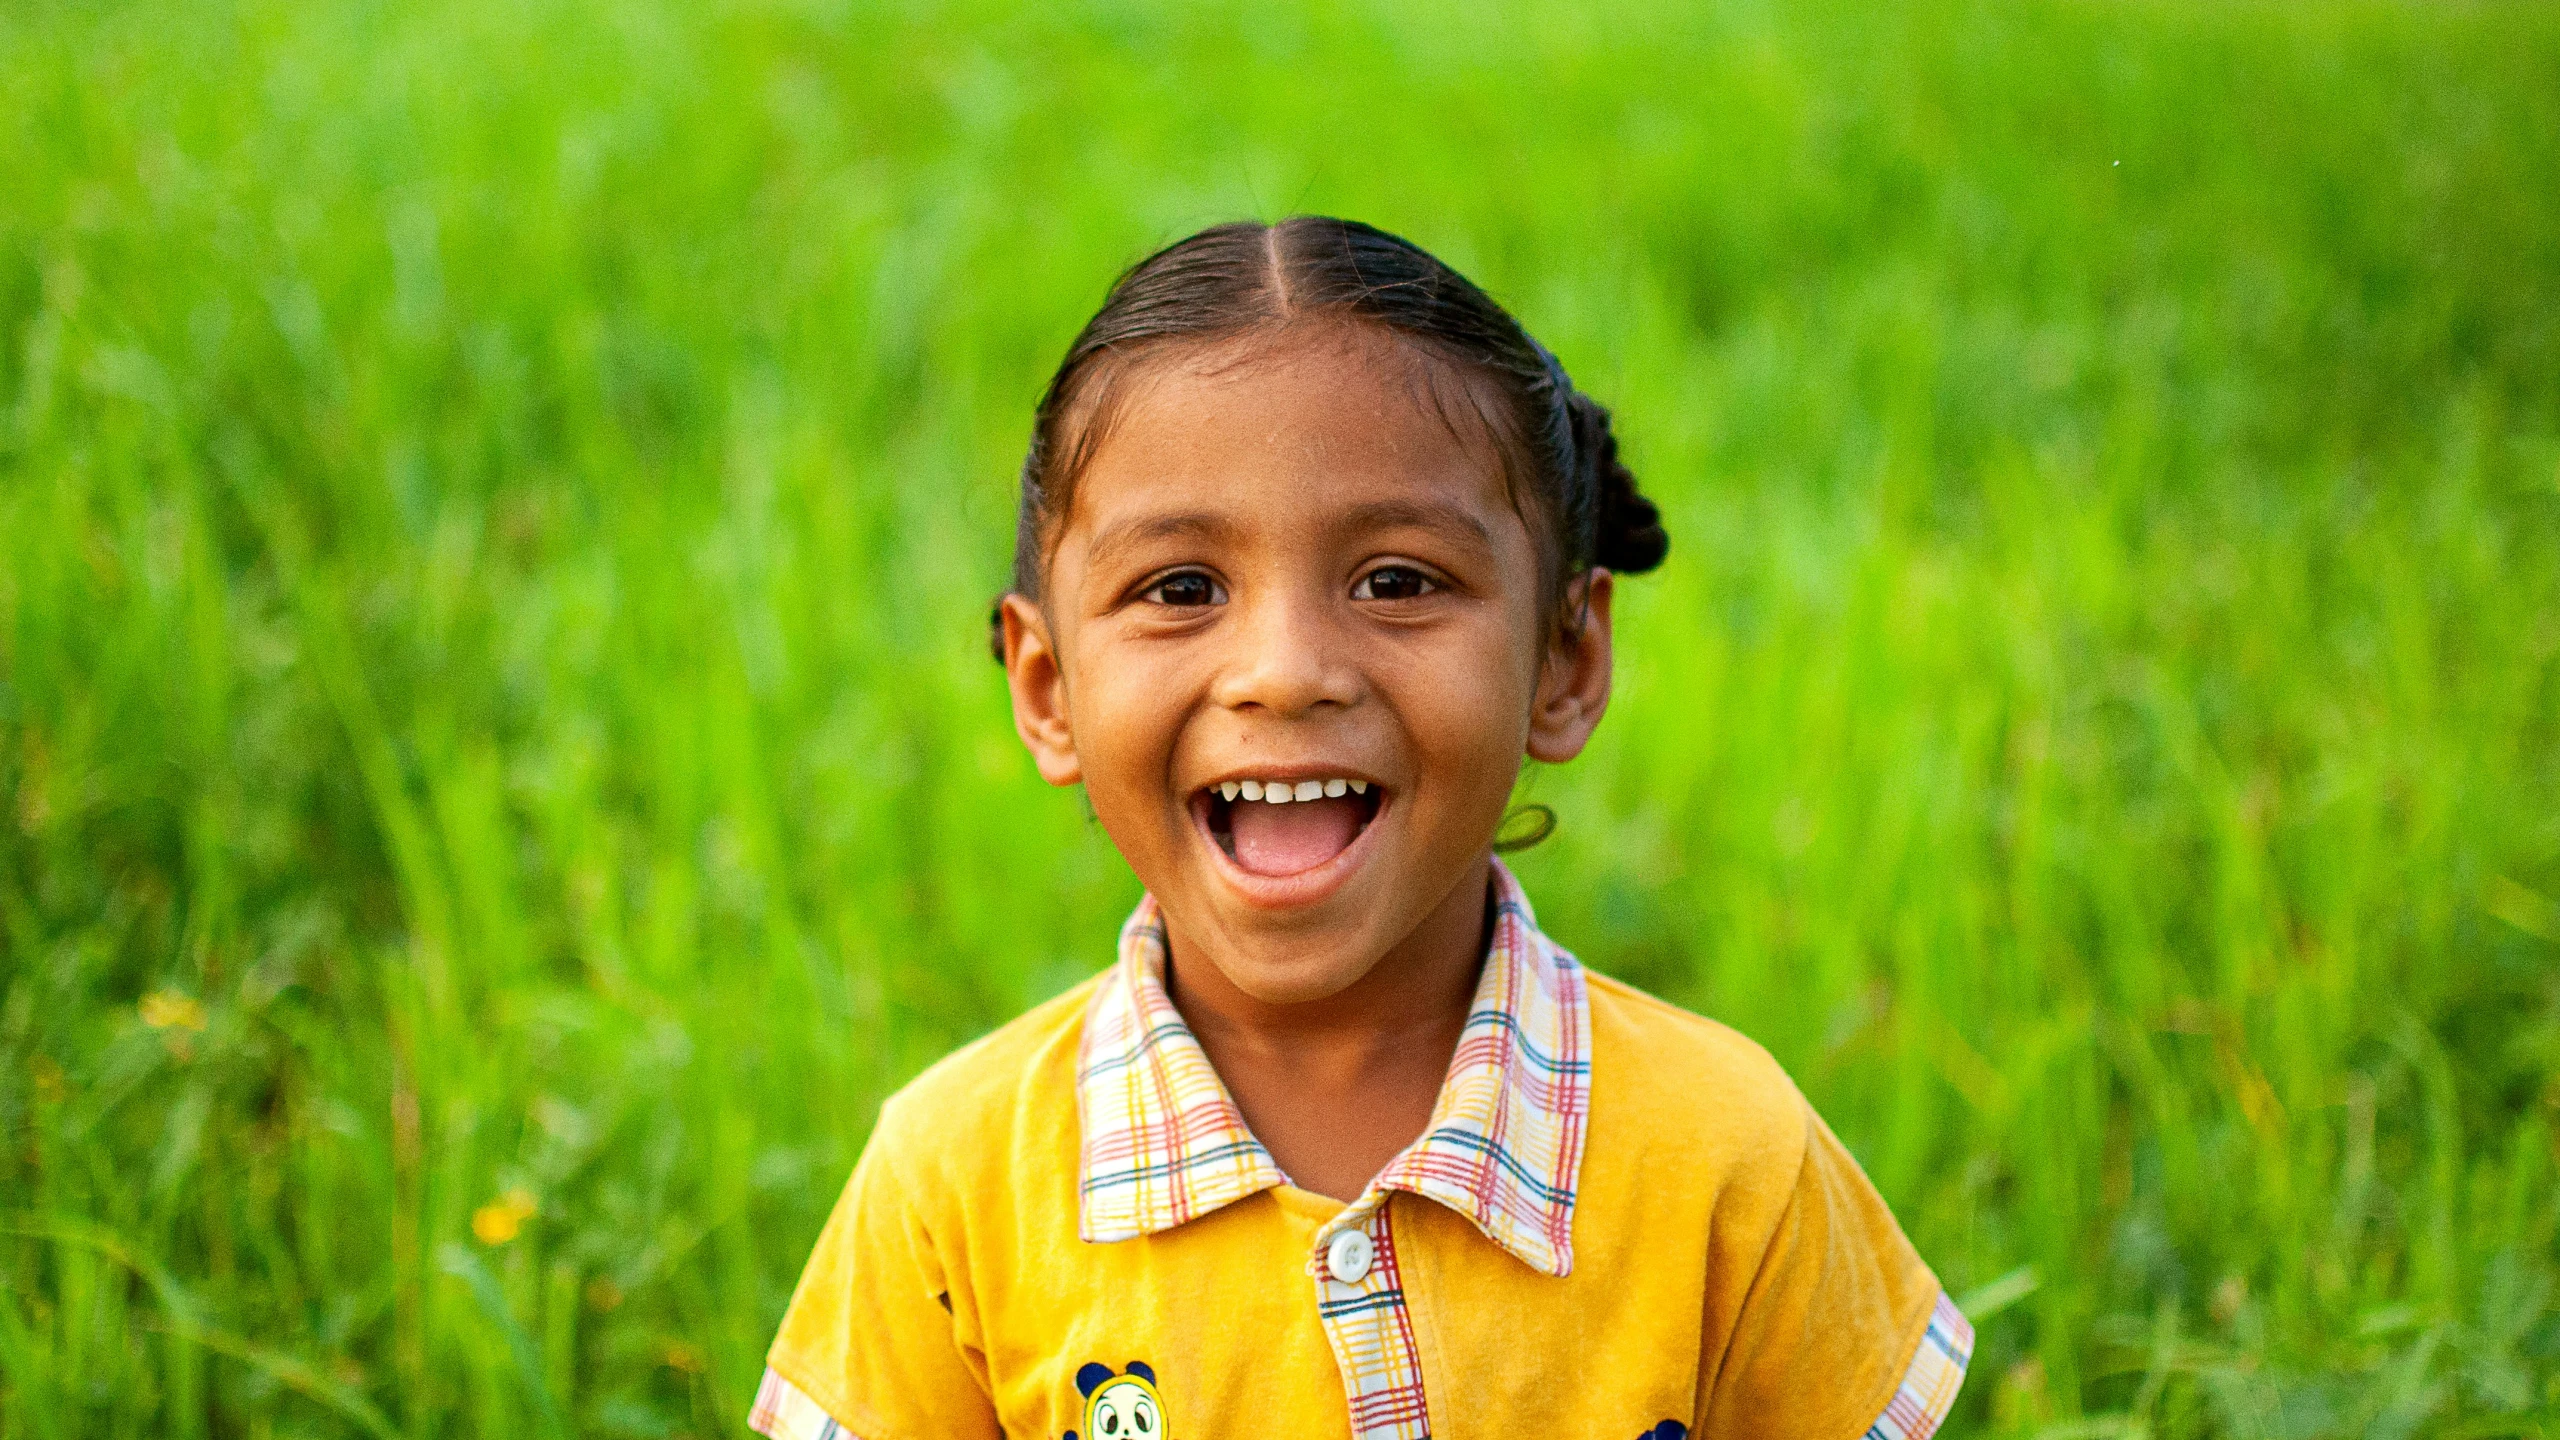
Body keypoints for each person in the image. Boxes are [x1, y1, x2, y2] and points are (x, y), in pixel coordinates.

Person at [748, 217, 1971, 1439]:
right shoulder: (952, 1184)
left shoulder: (1725, 1155)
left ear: (1565, 657)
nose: (1284, 673)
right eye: (1181, 590)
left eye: (1396, 581)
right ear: (1047, 687)